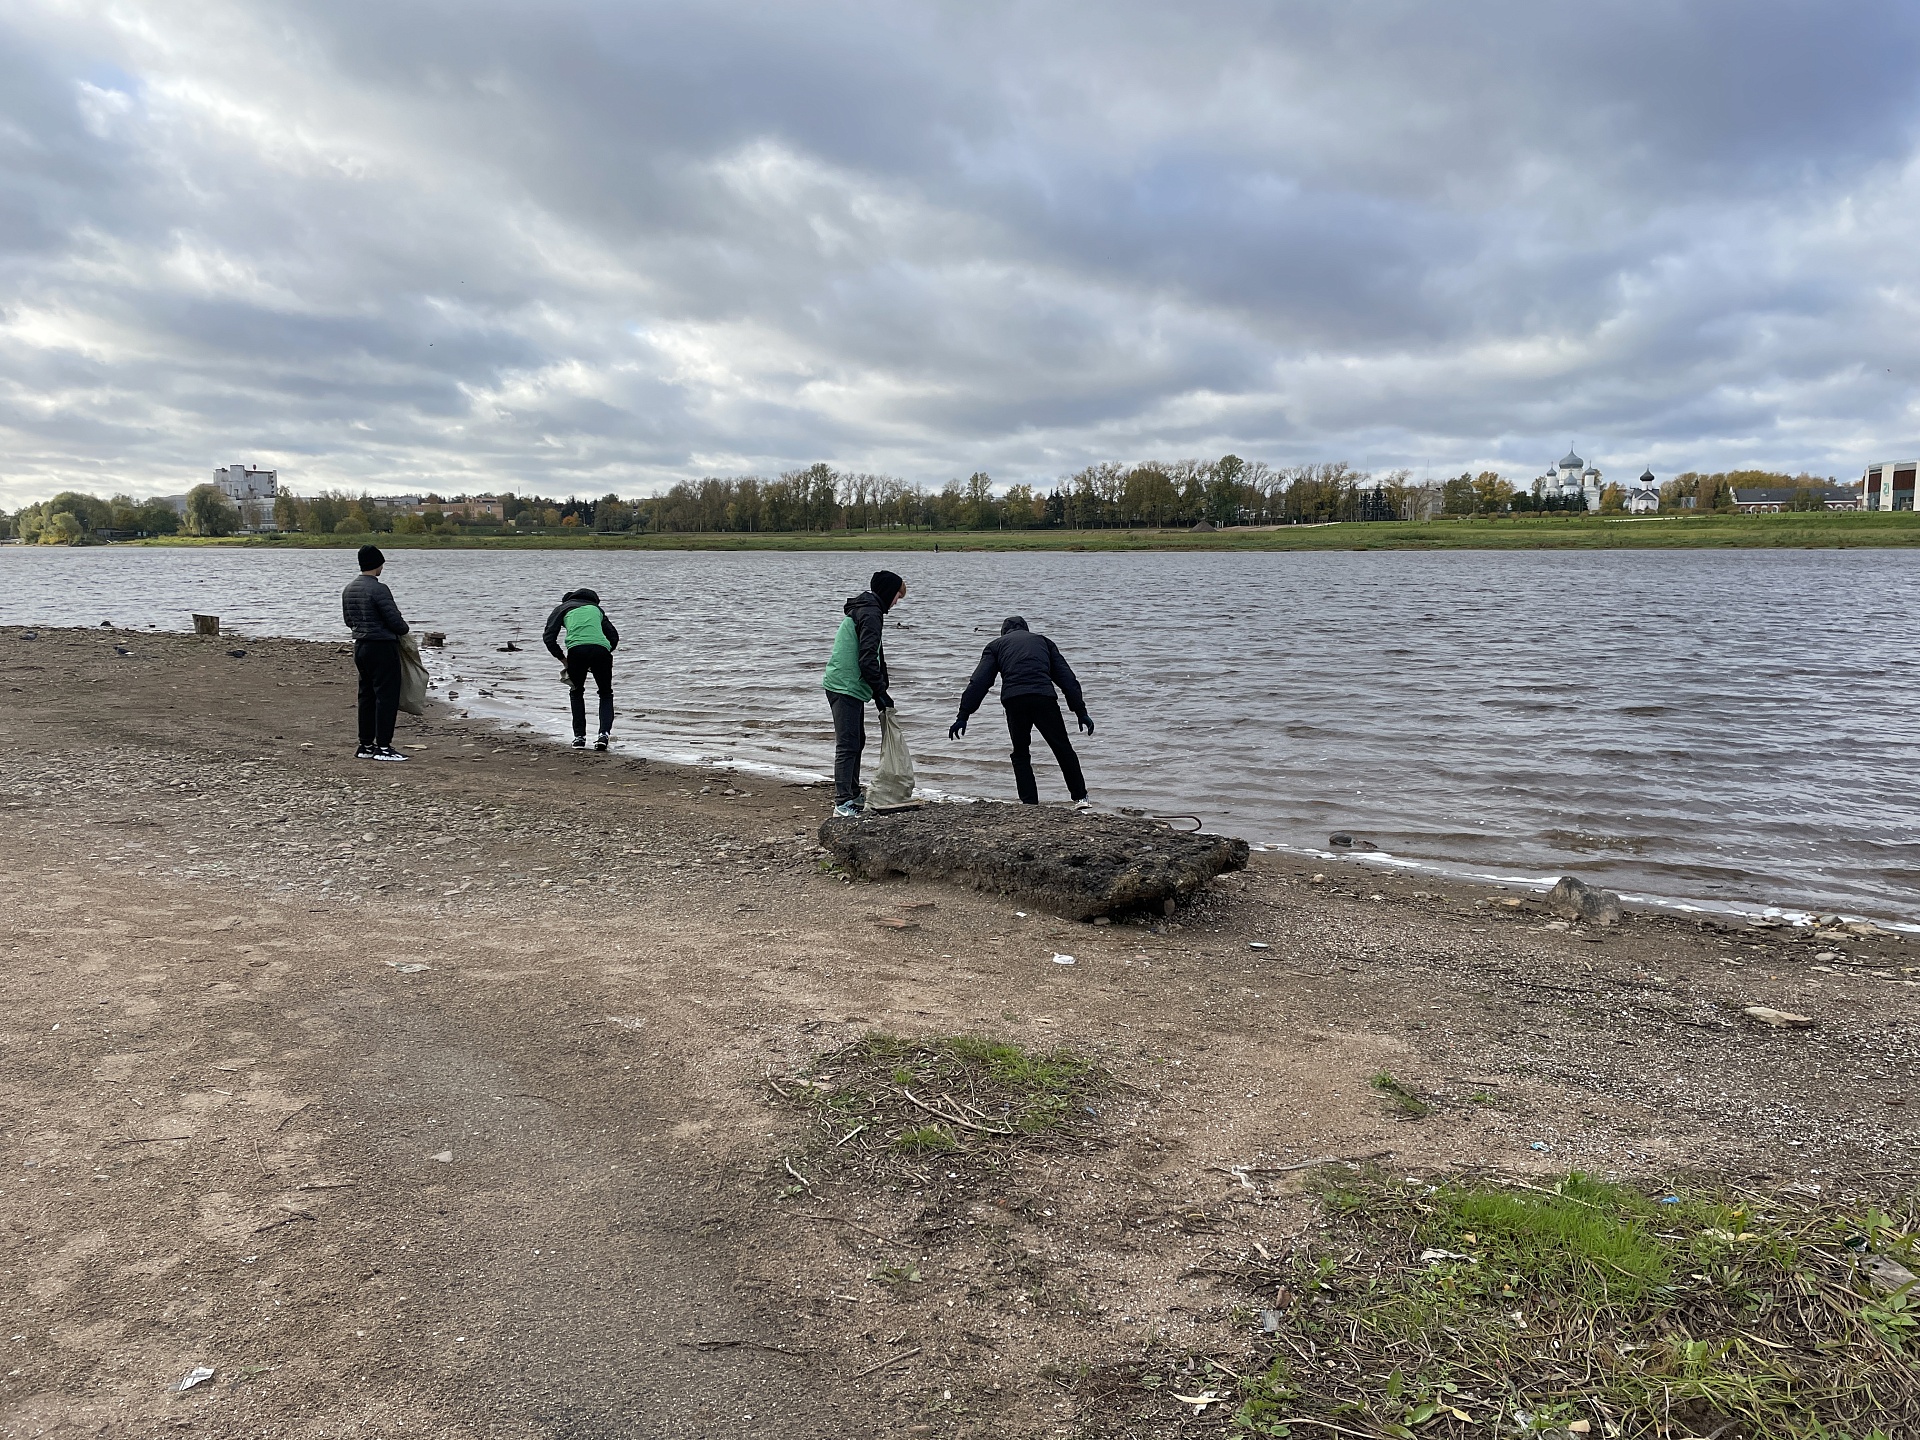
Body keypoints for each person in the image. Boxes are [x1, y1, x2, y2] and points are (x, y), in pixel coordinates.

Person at [949, 616, 1092, 807]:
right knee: (1062, 748)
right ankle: (1080, 798)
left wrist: (963, 715)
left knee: (1021, 752)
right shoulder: (1044, 642)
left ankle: (1030, 803)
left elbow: (979, 682)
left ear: (1003, 632)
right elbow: (1067, 679)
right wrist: (1080, 711)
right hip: (1044, 699)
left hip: (1014, 701)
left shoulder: (995, 646)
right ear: (1026, 629)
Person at [821, 569, 906, 817]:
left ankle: (852, 792)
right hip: (844, 685)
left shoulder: (867, 609)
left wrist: (882, 688)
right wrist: (880, 692)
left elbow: (876, 655)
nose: (897, 602)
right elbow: (867, 659)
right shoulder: (871, 613)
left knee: (857, 740)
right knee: (848, 744)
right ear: (889, 593)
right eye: (897, 597)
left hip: (849, 685)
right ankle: (842, 802)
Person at [341, 544, 411, 761]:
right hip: (382, 646)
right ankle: (383, 747)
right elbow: (396, 623)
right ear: (377, 564)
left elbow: (348, 621)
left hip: (360, 646)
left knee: (366, 695)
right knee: (386, 697)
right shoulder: (380, 589)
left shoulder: (349, 588)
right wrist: (404, 630)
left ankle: (365, 745)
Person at [542, 587, 620, 750]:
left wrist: (563, 659)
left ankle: (579, 738)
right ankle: (603, 736)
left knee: (576, 692)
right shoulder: (596, 609)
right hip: (601, 651)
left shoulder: (562, 609)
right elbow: (613, 636)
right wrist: (605, 651)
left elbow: (549, 637)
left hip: (576, 651)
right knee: (605, 693)